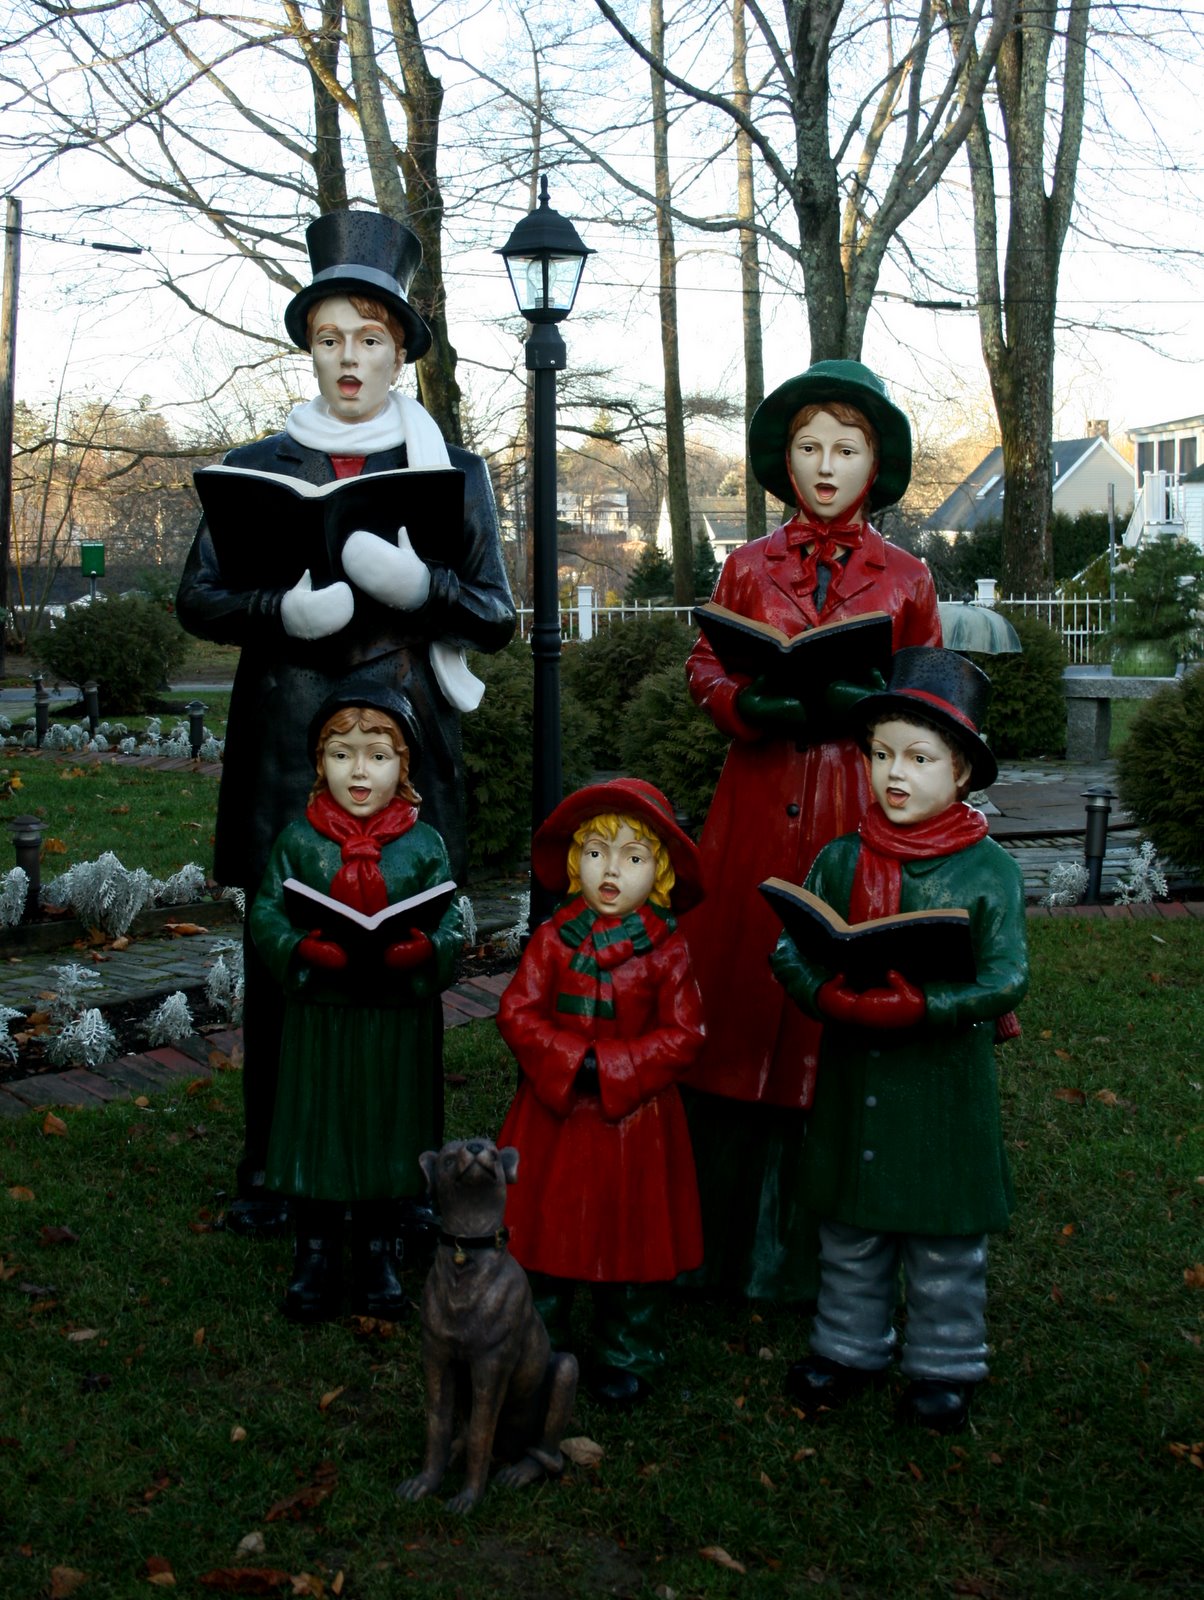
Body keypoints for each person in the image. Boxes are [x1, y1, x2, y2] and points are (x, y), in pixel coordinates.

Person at [177, 210, 514, 1235]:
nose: (349, 358)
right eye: (329, 339)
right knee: (285, 953)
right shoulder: (256, 462)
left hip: (403, 744)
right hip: (288, 743)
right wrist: (278, 610)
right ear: (309, 351)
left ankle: (404, 1168)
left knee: (403, 948)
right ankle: (273, 1165)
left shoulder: (453, 470)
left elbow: (496, 616)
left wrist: (424, 586)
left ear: (400, 350)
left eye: (370, 337)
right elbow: (198, 598)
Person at [680, 359, 943, 1303]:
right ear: (782, 459)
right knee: (740, 986)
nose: (826, 467)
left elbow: (932, 704)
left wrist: (874, 709)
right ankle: (715, 1231)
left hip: (853, 810)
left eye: (847, 448)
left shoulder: (907, 578)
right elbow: (705, 662)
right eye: (809, 447)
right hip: (754, 805)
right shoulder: (747, 566)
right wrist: (742, 702)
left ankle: (830, 1247)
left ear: (878, 463)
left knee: (836, 989)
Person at [768, 647, 1028, 1433]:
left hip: (942, 1087)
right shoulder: (841, 858)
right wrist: (826, 991)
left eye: (919, 758)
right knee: (852, 1226)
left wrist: (929, 1004)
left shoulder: (989, 873)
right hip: (856, 1076)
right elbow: (792, 949)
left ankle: (945, 1360)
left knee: (943, 1235)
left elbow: (1006, 977)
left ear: (962, 772)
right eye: (881, 755)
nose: (895, 775)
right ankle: (849, 1344)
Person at [249, 680, 463, 1323]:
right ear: (320, 763)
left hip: (393, 1021)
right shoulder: (298, 842)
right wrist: (298, 947)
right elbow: (266, 912)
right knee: (319, 1125)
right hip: (321, 1020)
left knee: (384, 1126)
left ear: (404, 766)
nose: (360, 772)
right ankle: (314, 1250)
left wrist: (426, 949)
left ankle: (377, 1250)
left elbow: (452, 919)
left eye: (378, 755)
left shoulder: (424, 846)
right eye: (342, 755)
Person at [495, 779, 706, 1407]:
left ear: (659, 875)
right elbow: (517, 1012)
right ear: (574, 863)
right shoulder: (553, 939)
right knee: (542, 1232)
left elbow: (685, 1033)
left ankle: (629, 1348)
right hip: (554, 1117)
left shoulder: (666, 951)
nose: (610, 871)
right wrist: (569, 1059)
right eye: (596, 853)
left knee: (634, 1236)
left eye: (632, 858)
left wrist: (613, 1065)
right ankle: (537, 1337)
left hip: (635, 1124)